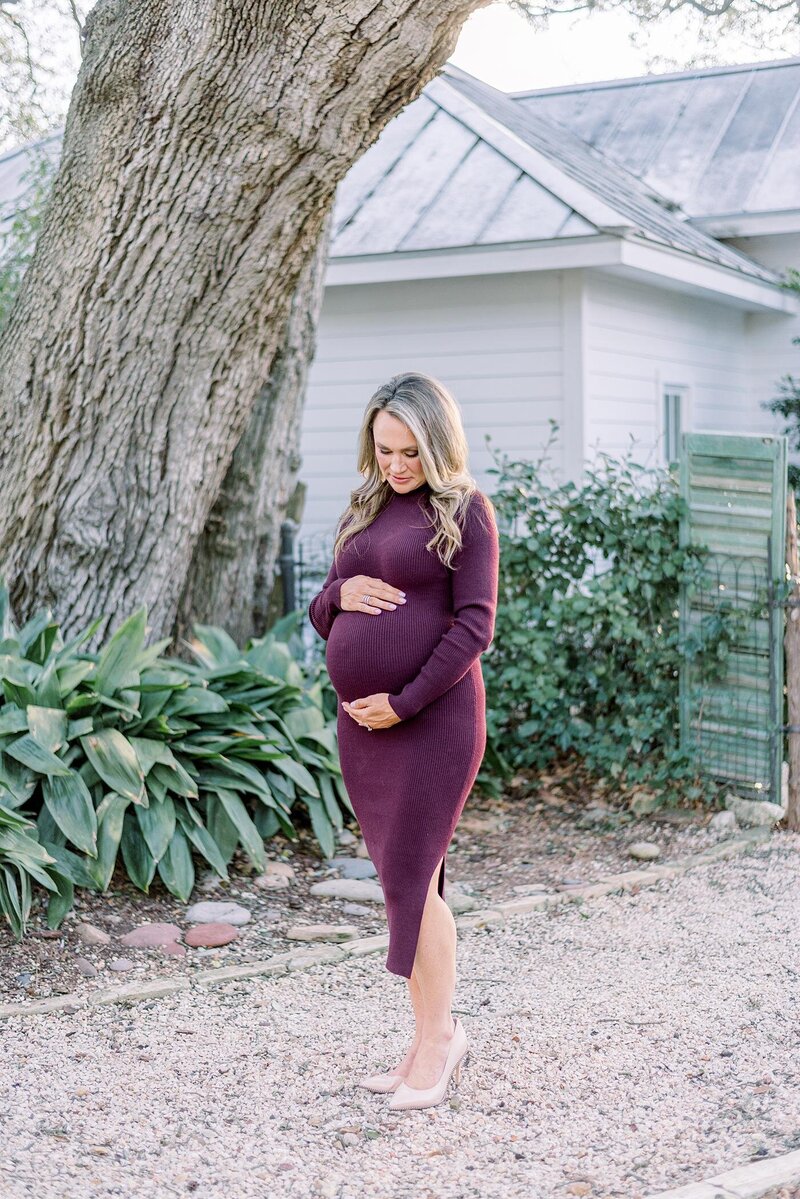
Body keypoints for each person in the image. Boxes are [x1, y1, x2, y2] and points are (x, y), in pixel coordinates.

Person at [307, 371, 500, 1111]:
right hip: (367, 729)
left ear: (438, 444)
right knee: (402, 882)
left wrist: (405, 699)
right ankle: (425, 1039)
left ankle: (443, 1038)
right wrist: (339, 597)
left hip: (434, 721)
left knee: (414, 880)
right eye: (383, 449)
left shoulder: (467, 512)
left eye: (409, 452)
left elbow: (473, 627)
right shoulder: (367, 508)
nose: (394, 465)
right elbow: (326, 607)